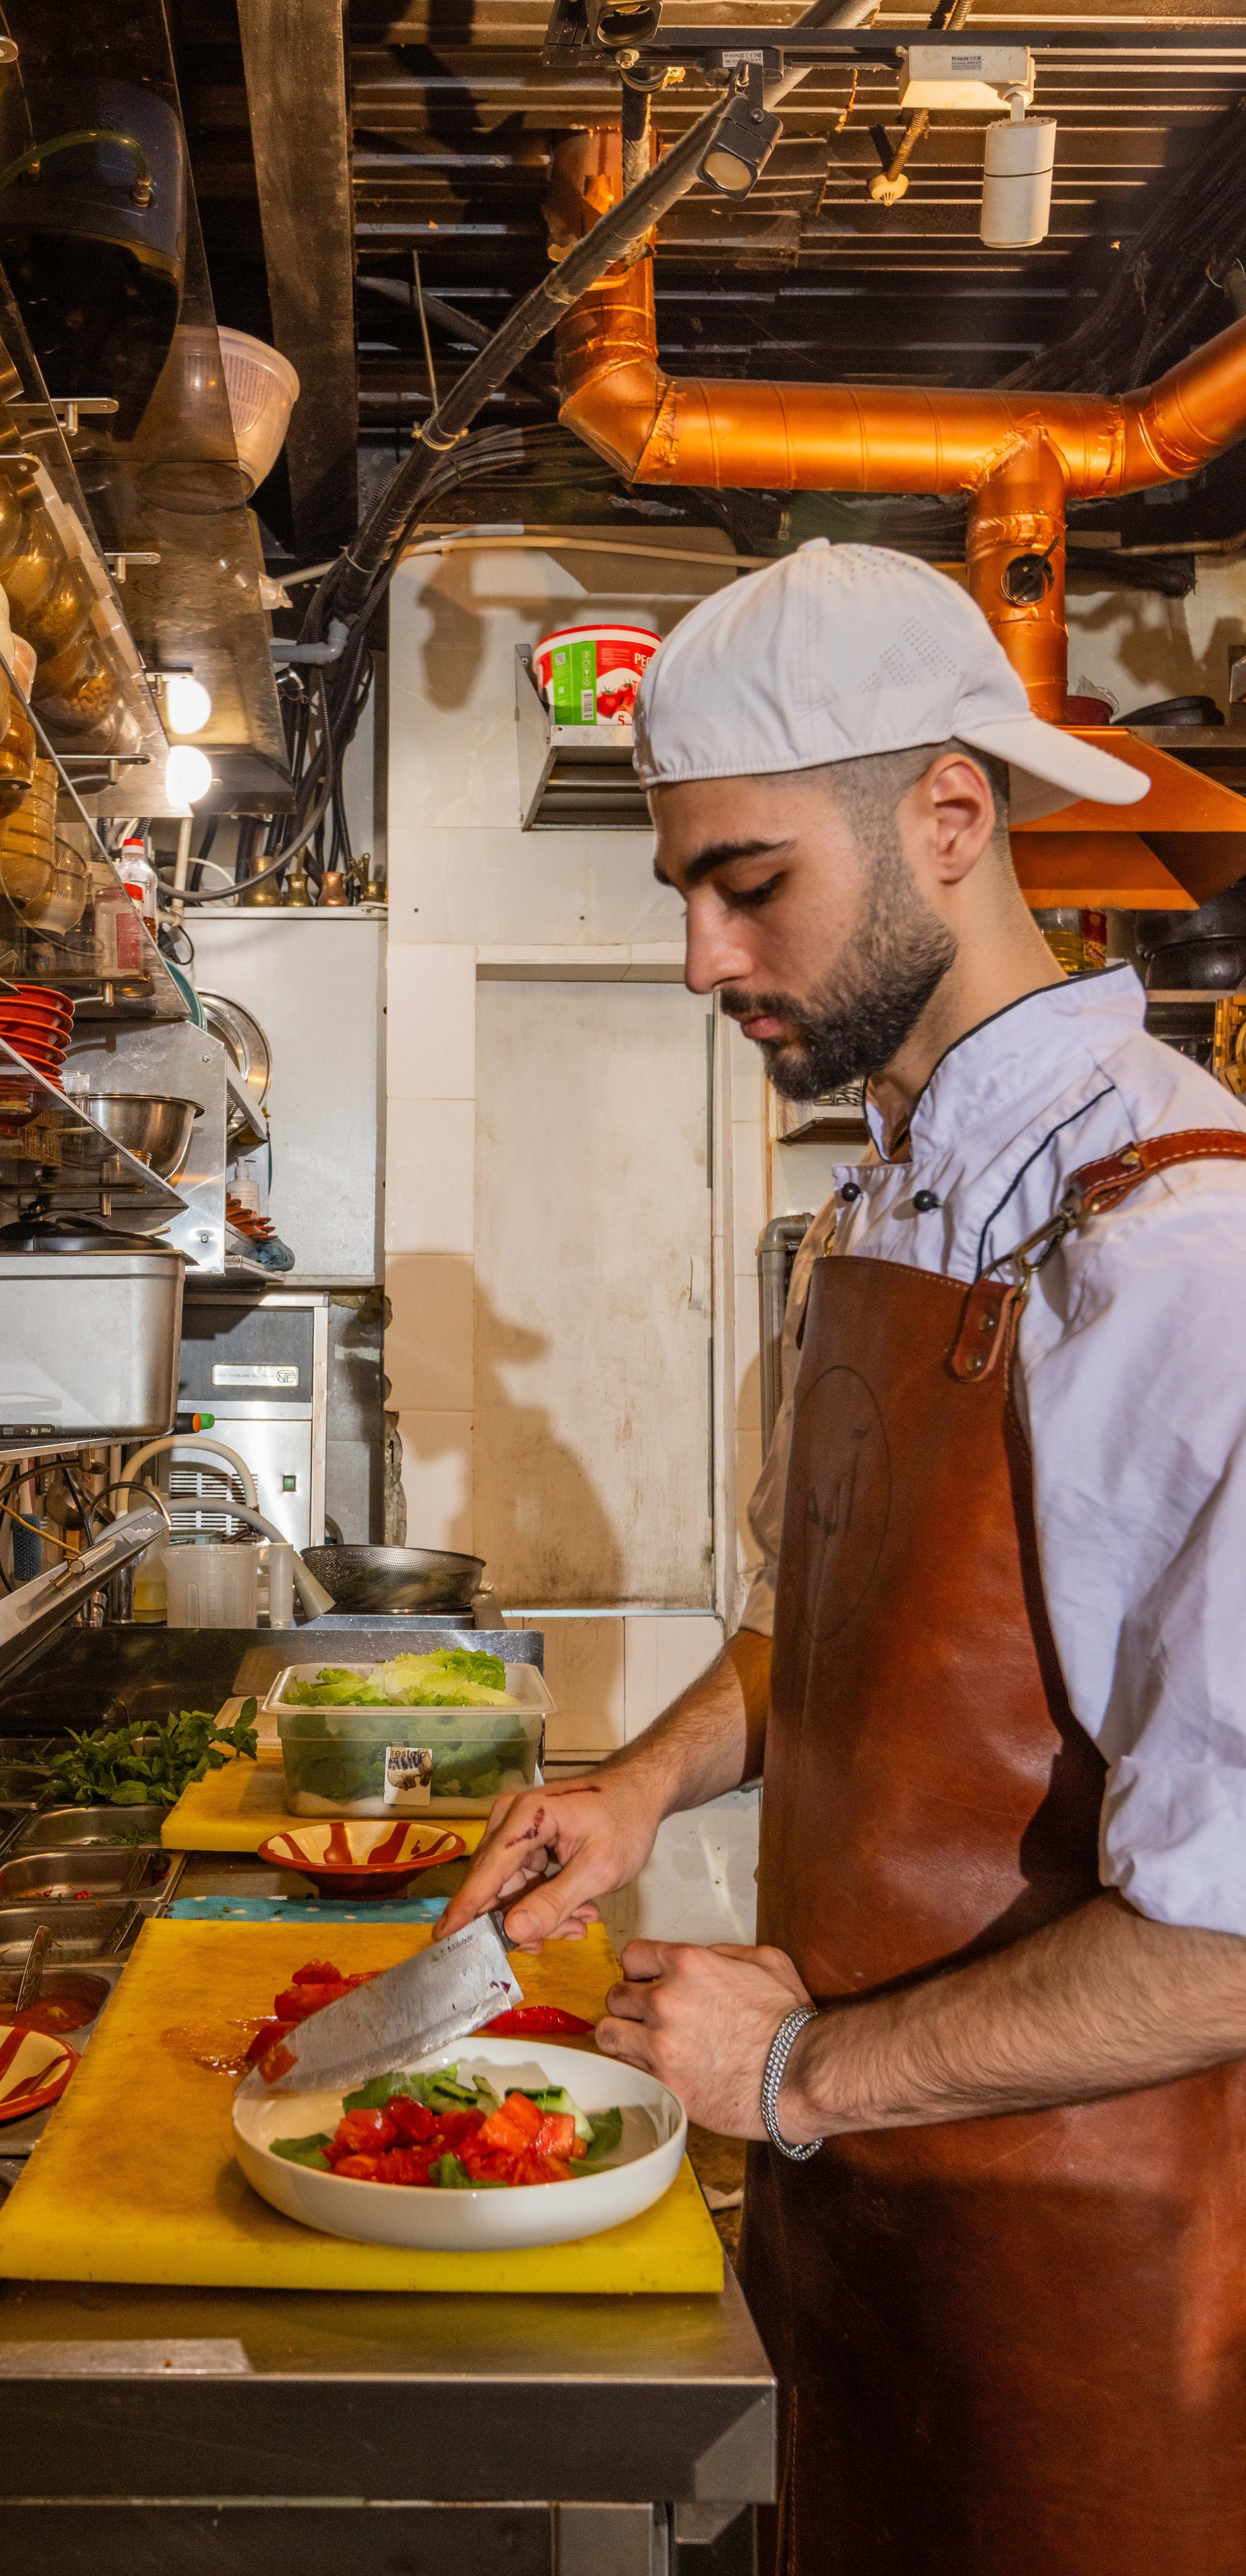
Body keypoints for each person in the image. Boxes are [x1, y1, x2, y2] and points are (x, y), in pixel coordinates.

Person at [438, 542, 1246, 2576]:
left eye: (751, 884)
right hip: (861, 2212)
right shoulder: (898, 1205)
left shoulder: (1178, 1254)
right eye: (685, 894)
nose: (704, 958)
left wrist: (798, 2066)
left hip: (1086, 2300)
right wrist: (639, 1786)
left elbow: (1230, 1934)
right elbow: (849, 1647)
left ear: (951, 821)